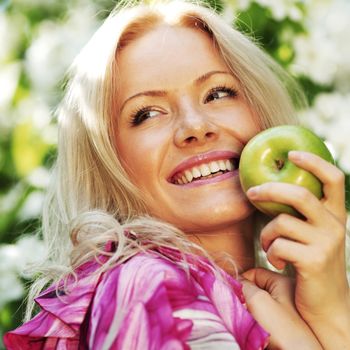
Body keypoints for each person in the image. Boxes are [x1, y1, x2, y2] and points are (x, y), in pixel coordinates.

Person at [4, 0, 350, 349]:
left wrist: (332, 314)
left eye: (217, 93)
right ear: (108, 164)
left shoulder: (283, 305)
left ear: (260, 113)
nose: (195, 127)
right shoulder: (151, 290)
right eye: (147, 114)